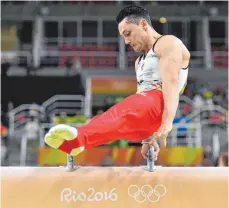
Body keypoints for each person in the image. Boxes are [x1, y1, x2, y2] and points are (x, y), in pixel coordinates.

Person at [45, 5, 190, 160]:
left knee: (120, 112)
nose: (126, 41)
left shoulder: (168, 43)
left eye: (128, 34)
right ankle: (74, 145)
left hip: (161, 103)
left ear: (143, 24)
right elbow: (140, 105)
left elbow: (171, 83)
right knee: (113, 124)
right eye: (123, 37)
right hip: (147, 115)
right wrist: (148, 139)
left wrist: (167, 123)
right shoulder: (139, 62)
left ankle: (79, 137)